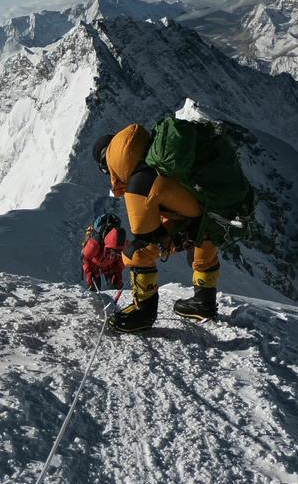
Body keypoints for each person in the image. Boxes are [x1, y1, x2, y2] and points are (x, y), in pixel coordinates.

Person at [92, 125, 220, 332]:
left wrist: (170, 238)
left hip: (193, 216)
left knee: (135, 252)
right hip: (213, 208)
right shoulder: (157, 160)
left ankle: (143, 313)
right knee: (205, 232)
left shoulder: (138, 183)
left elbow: (146, 237)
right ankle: (204, 302)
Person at [81, 214, 126, 292]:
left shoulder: (123, 245)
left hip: (108, 264)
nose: (114, 253)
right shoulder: (94, 244)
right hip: (94, 264)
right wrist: (89, 273)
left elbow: (120, 262)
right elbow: (86, 258)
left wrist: (118, 275)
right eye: (113, 251)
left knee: (115, 284)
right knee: (94, 286)